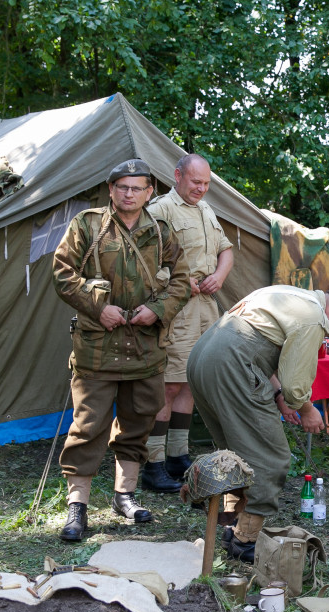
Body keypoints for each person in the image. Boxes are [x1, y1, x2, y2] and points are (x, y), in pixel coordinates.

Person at [52, 159, 191, 541]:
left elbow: (181, 280)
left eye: (137, 188)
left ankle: (124, 495)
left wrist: (158, 310)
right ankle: (77, 505)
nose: (129, 194)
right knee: (88, 425)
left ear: (149, 192)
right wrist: (99, 307)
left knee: (140, 420)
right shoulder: (87, 225)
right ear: (111, 189)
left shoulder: (161, 232)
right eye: (122, 187)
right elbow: (63, 273)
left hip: (146, 346)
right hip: (98, 345)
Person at [187, 285, 329, 562]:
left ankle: (231, 526)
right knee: (272, 458)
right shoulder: (313, 317)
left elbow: (261, 349)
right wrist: (307, 410)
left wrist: (278, 393)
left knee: (236, 453)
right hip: (230, 363)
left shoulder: (289, 294)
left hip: (203, 357)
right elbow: (296, 385)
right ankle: (244, 540)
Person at [141, 154, 234, 493]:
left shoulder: (206, 210)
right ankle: (153, 463)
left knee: (192, 380)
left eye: (206, 183)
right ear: (177, 175)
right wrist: (181, 283)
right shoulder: (161, 209)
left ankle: (178, 455)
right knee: (168, 383)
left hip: (206, 307)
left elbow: (226, 250)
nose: (201, 188)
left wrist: (220, 276)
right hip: (177, 307)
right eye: (196, 182)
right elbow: (145, 260)